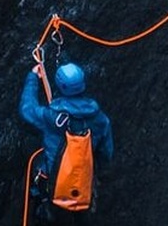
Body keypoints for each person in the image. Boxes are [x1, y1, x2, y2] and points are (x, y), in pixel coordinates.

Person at [20, 62, 114, 225]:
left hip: (52, 188)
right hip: (83, 188)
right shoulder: (100, 119)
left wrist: (33, 78)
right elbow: (106, 153)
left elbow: (27, 109)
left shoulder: (51, 117)